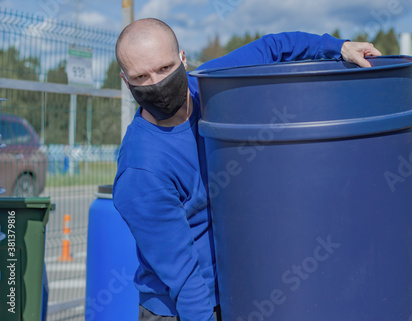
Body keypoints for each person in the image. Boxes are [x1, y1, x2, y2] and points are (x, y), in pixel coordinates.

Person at [113, 18, 381, 321]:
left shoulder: (211, 88)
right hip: (181, 308)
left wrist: (338, 47)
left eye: (164, 69)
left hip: (237, 289)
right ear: (126, 81)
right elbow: (184, 279)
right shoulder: (142, 169)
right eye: (141, 77)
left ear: (183, 59)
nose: (156, 84)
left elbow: (273, 48)